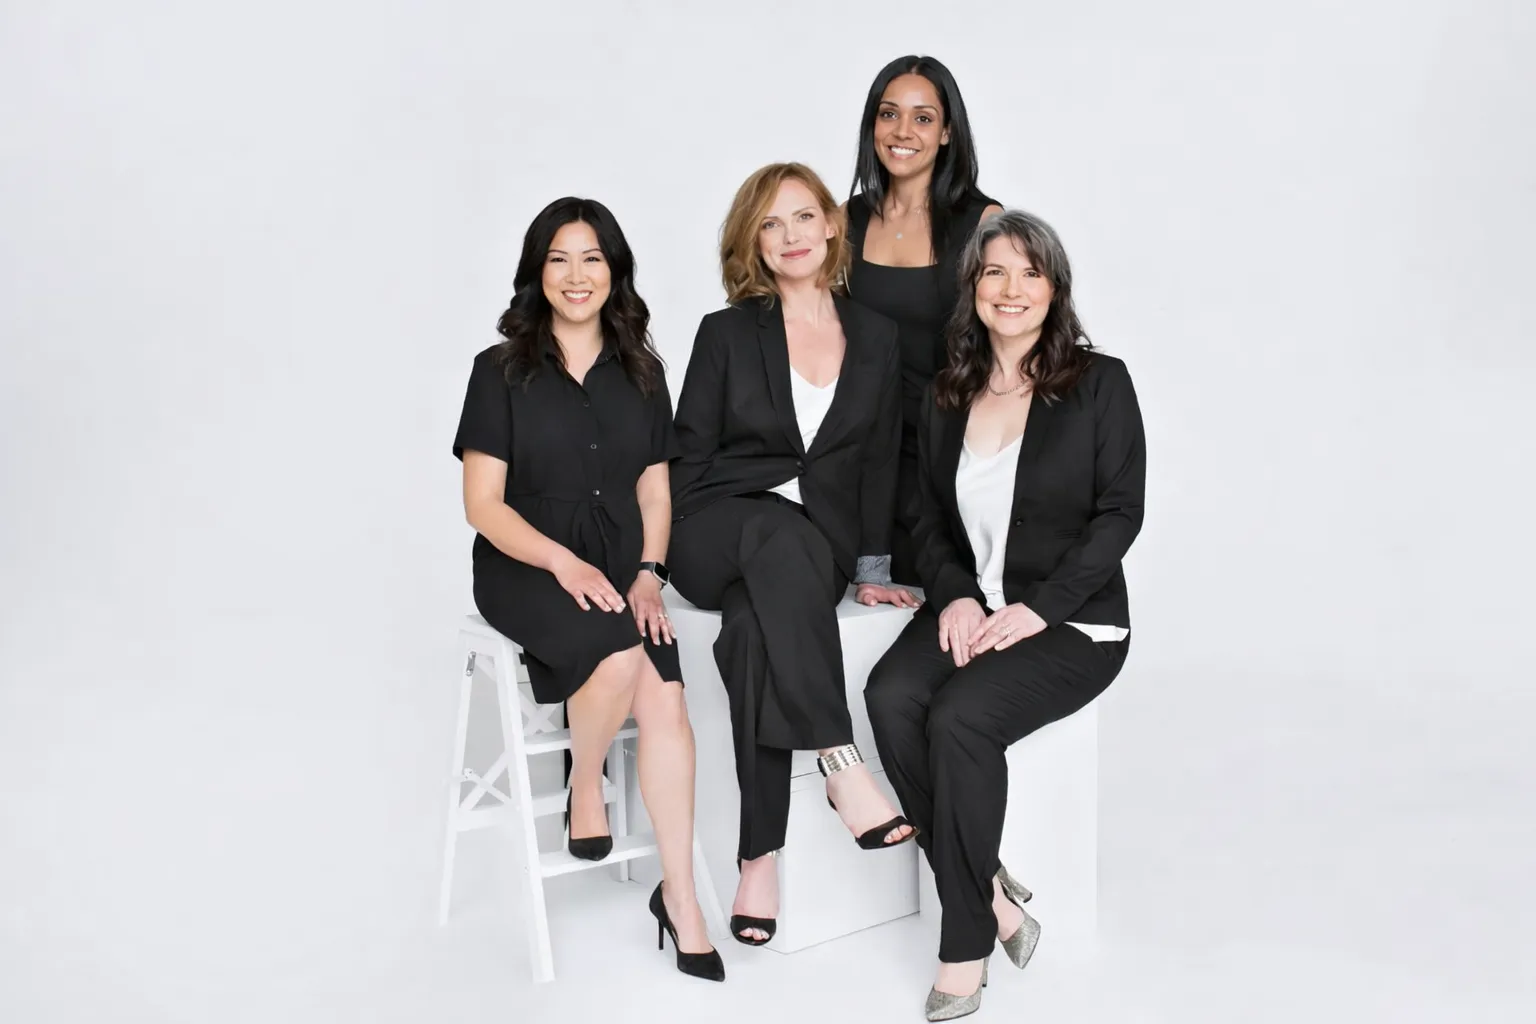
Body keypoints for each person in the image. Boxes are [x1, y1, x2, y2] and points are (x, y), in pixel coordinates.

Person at [864, 210, 1146, 1020]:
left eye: (1030, 272)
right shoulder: (948, 392)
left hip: (1076, 622)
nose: (1012, 289)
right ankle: (987, 887)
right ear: (973, 288)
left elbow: (1120, 515)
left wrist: (1039, 610)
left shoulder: (1099, 383)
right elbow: (926, 518)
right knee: (890, 697)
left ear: (1054, 288)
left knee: (958, 717)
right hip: (973, 605)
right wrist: (953, 590)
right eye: (995, 272)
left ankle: (965, 944)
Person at [452, 197, 723, 982]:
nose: (578, 276)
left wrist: (649, 574)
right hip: (525, 562)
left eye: (593, 259)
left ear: (616, 271)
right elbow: (482, 505)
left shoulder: (642, 372)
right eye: (561, 259)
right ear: (539, 271)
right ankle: (584, 782)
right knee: (615, 659)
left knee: (667, 697)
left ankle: (681, 900)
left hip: (619, 567)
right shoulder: (498, 371)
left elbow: (654, 495)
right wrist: (565, 566)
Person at [669, 162, 921, 947]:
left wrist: (873, 570)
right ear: (754, 241)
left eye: (804, 217)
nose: (790, 237)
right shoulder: (725, 332)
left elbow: (881, 458)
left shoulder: (876, 338)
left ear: (831, 225)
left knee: (751, 634)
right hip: (715, 529)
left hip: (813, 548)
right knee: (770, 537)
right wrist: (650, 558)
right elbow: (685, 456)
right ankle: (840, 762)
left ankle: (757, 858)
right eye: (771, 225)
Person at [844, 55, 1003, 586]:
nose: (903, 131)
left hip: (948, 447)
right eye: (889, 115)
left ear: (947, 132)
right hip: (865, 448)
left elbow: (1009, 341)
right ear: (873, 126)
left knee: (945, 582)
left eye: (923, 117)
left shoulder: (981, 221)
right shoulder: (847, 219)